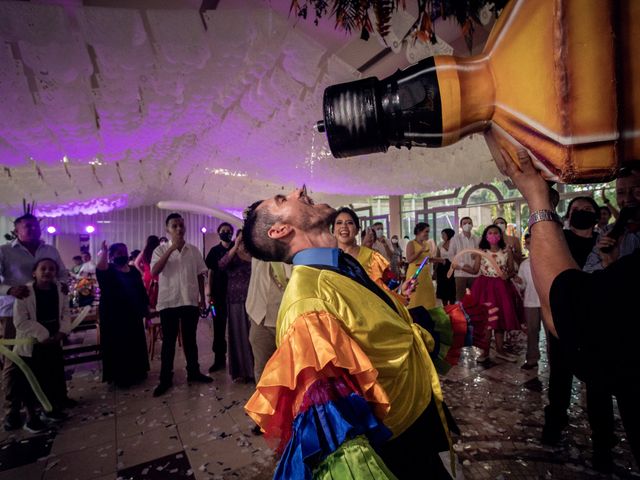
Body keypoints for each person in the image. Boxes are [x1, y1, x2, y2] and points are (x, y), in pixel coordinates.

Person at [242, 186, 454, 479]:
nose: (298, 190)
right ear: (280, 230)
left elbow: (381, 327)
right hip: (393, 445)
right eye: (282, 199)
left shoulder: (340, 266)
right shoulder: (307, 303)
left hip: (416, 414)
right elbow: (335, 431)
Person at [487, 133, 640, 471]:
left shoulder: (611, 238)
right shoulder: (565, 240)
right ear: (568, 216)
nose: (630, 200)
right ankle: (554, 424)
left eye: (636, 192)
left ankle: (602, 444)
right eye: (623, 193)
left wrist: (538, 203)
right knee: (561, 378)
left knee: (599, 389)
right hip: (580, 325)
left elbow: (575, 301)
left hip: (595, 329)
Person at [1, 214, 71, 430]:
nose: (32, 229)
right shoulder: (5, 251)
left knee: (49, 358)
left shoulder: (49, 250)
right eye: (26, 226)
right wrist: (9, 290)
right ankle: (13, 410)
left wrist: (63, 285)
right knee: (18, 362)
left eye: (35, 226)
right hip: (15, 311)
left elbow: (63, 274)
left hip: (47, 310)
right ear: (16, 229)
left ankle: (53, 401)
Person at [151, 213, 212, 397]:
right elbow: (155, 271)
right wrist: (171, 250)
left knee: (190, 340)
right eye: (174, 226)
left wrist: (202, 299)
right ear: (167, 229)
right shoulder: (160, 250)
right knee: (169, 341)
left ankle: (193, 372)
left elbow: (201, 275)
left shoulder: (193, 251)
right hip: (169, 301)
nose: (179, 229)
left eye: (181, 225)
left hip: (189, 301)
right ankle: (165, 379)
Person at [9, 258, 71, 432]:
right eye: (43, 268)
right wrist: (42, 334)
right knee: (29, 382)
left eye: (51, 269)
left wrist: (61, 332)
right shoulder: (25, 292)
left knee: (51, 377)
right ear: (34, 272)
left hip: (53, 340)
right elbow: (20, 322)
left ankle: (50, 409)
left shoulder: (60, 290)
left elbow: (65, 313)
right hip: (32, 343)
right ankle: (31, 417)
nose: (47, 272)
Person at [455, 225, 521, 363]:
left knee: (500, 318)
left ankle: (500, 350)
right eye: (490, 233)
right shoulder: (481, 252)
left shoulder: (506, 251)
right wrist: (460, 266)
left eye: (495, 233)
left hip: (502, 288)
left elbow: (511, 270)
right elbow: (474, 270)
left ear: (500, 235)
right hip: (484, 288)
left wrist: (507, 275)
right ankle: (485, 351)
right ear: (485, 236)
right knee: (487, 320)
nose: (493, 235)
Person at [96, 241, 150, 388]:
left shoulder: (132, 270)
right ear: (112, 256)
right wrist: (104, 253)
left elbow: (140, 289)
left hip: (132, 312)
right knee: (118, 344)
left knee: (135, 340)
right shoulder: (109, 270)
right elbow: (100, 270)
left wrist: (146, 308)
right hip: (113, 313)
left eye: (124, 252)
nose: (123, 255)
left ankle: (138, 371)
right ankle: (119, 376)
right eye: (119, 253)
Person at [246, 259, 290, 383]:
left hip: (289, 316)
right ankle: (266, 402)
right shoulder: (258, 242)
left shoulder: (299, 243)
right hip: (260, 316)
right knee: (263, 373)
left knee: (291, 372)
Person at [218, 230, 254, 383]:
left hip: (253, 299)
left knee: (252, 336)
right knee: (239, 334)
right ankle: (242, 371)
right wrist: (235, 246)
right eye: (241, 240)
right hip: (235, 300)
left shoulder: (254, 255)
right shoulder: (232, 255)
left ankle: (254, 370)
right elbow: (221, 265)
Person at [205, 222, 235, 373]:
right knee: (218, 326)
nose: (226, 233)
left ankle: (237, 359)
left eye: (228, 231)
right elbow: (210, 271)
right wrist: (209, 292)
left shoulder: (237, 248)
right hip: (217, 295)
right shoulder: (214, 251)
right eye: (223, 231)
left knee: (236, 327)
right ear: (218, 233)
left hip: (235, 295)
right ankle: (219, 359)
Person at [515, 232, 541, 370]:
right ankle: (532, 359)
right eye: (529, 242)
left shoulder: (548, 261)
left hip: (547, 302)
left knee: (551, 333)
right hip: (531, 301)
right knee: (532, 331)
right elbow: (522, 285)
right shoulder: (525, 265)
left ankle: (555, 359)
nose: (532, 245)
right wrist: (519, 281)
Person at [405, 222, 438, 310]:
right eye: (426, 231)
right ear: (419, 231)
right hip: (415, 272)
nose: (427, 234)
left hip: (426, 273)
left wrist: (439, 260)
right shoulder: (411, 243)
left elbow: (427, 259)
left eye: (428, 232)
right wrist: (420, 251)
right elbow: (409, 259)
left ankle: (428, 313)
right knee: (415, 296)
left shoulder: (426, 244)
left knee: (428, 294)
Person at [448, 217, 480, 301]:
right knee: (460, 297)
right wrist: (461, 265)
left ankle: (474, 313)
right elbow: (450, 255)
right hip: (460, 273)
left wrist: (477, 255)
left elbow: (481, 254)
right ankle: (461, 313)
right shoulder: (455, 239)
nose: (467, 225)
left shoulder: (477, 239)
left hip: (475, 273)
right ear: (461, 226)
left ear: (472, 225)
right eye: (465, 223)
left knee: (476, 296)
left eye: (469, 223)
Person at [134, 235, 160, 310]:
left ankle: (148, 313)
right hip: (157, 275)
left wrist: (143, 273)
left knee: (148, 294)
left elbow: (136, 263)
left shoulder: (144, 252)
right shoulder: (158, 251)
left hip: (147, 275)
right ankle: (157, 311)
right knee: (157, 295)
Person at [435, 228, 457, 305]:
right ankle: (445, 308)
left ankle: (452, 307)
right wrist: (435, 270)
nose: (442, 236)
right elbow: (437, 257)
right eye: (442, 235)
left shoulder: (455, 244)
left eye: (443, 234)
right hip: (442, 268)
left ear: (449, 234)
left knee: (452, 287)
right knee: (443, 288)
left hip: (452, 268)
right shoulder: (440, 244)